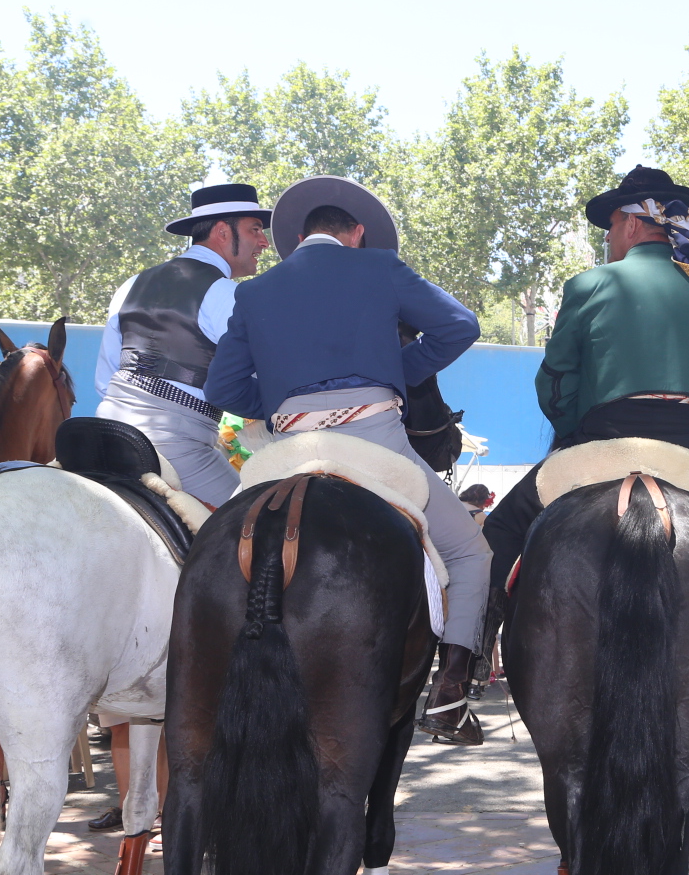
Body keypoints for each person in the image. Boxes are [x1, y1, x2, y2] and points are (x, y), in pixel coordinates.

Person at [204, 176, 494, 745]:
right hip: (376, 436)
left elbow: (224, 386)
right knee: (469, 552)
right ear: (356, 234)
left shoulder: (254, 292)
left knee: (212, 551)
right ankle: (450, 696)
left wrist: (287, 401)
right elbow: (460, 325)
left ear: (300, 238)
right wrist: (397, 372)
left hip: (287, 445)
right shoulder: (380, 267)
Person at [480, 165, 689, 651]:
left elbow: (556, 383)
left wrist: (580, 432)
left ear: (633, 224)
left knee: (501, 530)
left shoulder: (589, 286)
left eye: (611, 227)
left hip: (605, 438)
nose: (609, 239)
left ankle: (459, 669)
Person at [93, 183, 271, 507]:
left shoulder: (130, 285)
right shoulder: (227, 295)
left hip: (108, 430)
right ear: (221, 231)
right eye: (255, 229)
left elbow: (105, 379)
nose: (264, 242)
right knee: (258, 522)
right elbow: (263, 380)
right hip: (174, 446)